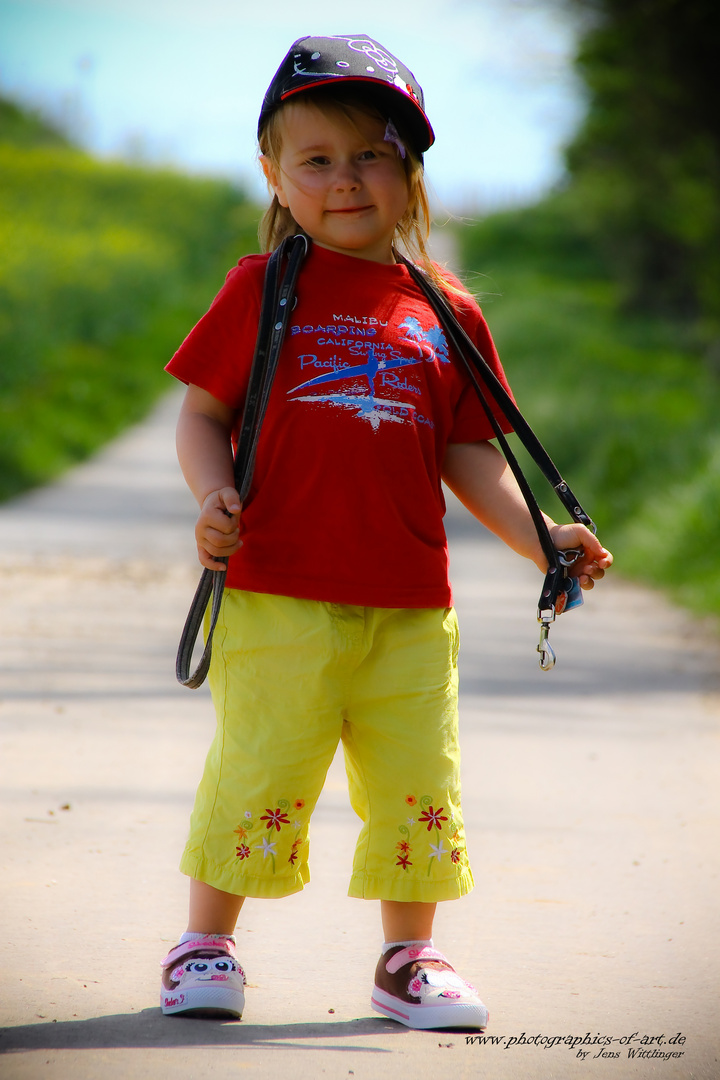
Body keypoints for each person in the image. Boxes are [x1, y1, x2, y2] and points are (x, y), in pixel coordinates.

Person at [161, 34, 612, 1030]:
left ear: (410, 173)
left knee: (419, 786)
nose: (346, 178)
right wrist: (211, 498)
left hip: (410, 606)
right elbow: (201, 413)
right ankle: (206, 945)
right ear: (275, 174)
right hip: (278, 591)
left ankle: (409, 960)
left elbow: (467, 454)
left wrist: (541, 536)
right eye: (317, 158)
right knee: (260, 769)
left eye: (372, 154)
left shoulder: (445, 313)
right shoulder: (261, 289)